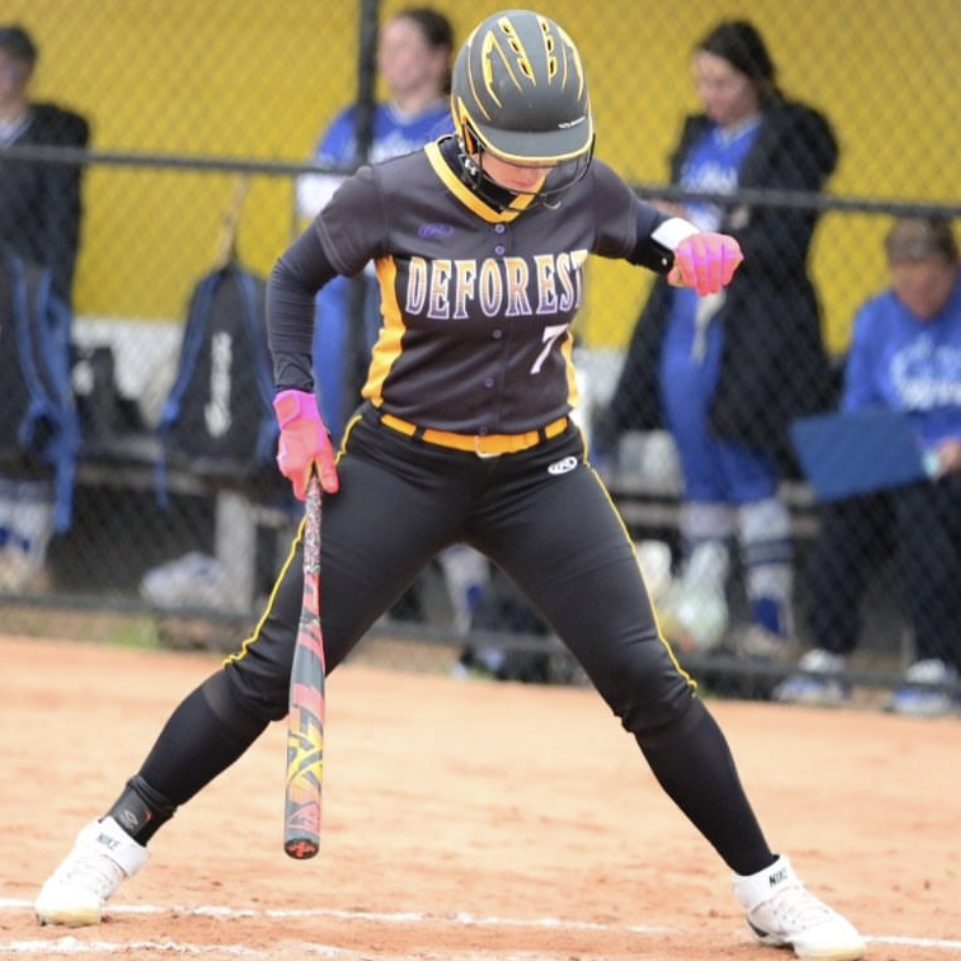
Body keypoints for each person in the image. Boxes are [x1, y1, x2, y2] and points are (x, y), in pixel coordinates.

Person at [34, 12, 865, 960]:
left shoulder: (574, 182)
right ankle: (110, 840)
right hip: (402, 463)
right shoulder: (390, 192)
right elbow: (294, 279)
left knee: (648, 678)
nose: (537, 169)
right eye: (517, 150)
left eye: (553, 149)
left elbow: (639, 226)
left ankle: (768, 888)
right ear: (467, 127)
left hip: (537, 472)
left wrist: (685, 242)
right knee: (271, 671)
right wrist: (296, 407)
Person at [596, 21, 839, 657]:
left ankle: (771, 620)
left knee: (743, 461)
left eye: (725, 82)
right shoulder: (698, 140)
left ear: (756, 79)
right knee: (697, 466)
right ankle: (699, 620)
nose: (712, 95)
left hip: (750, 323)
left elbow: (780, 241)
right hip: (686, 318)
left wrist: (709, 231)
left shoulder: (786, 140)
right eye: (703, 82)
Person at [775, 216, 961, 716]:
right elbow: (859, 406)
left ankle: (936, 665)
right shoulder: (878, 317)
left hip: (952, 468)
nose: (917, 291)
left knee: (922, 510)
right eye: (906, 278)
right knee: (845, 510)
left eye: (930, 279)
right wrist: (877, 449)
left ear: (952, 269)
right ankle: (829, 658)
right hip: (900, 459)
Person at [297, 6, 454, 443]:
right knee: (325, 299)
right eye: (385, 47)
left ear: (438, 58)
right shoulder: (357, 120)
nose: (388, 58)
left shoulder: (454, 127)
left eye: (403, 47)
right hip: (353, 267)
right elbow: (311, 191)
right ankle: (327, 448)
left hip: (417, 274)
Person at [0, 24, 90, 591]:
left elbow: (60, 234)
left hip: (25, 305)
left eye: (12, 65)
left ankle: (25, 552)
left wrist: (51, 296)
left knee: (28, 417)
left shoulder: (50, 136)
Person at [0, 23, 90, 304]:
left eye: (8, 66)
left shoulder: (52, 134)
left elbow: (59, 219)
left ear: (26, 71)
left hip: (26, 268)